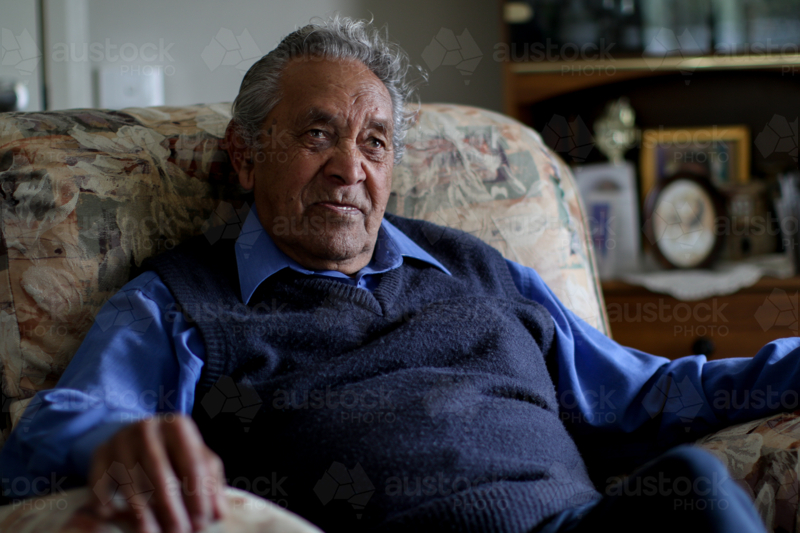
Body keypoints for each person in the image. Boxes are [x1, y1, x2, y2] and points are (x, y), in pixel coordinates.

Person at [1, 15, 798, 533]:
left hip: (573, 528)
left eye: (375, 142)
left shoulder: (478, 268)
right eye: (318, 134)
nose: (350, 167)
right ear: (245, 156)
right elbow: (47, 432)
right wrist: (115, 440)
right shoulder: (183, 301)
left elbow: (649, 393)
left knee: (692, 484)